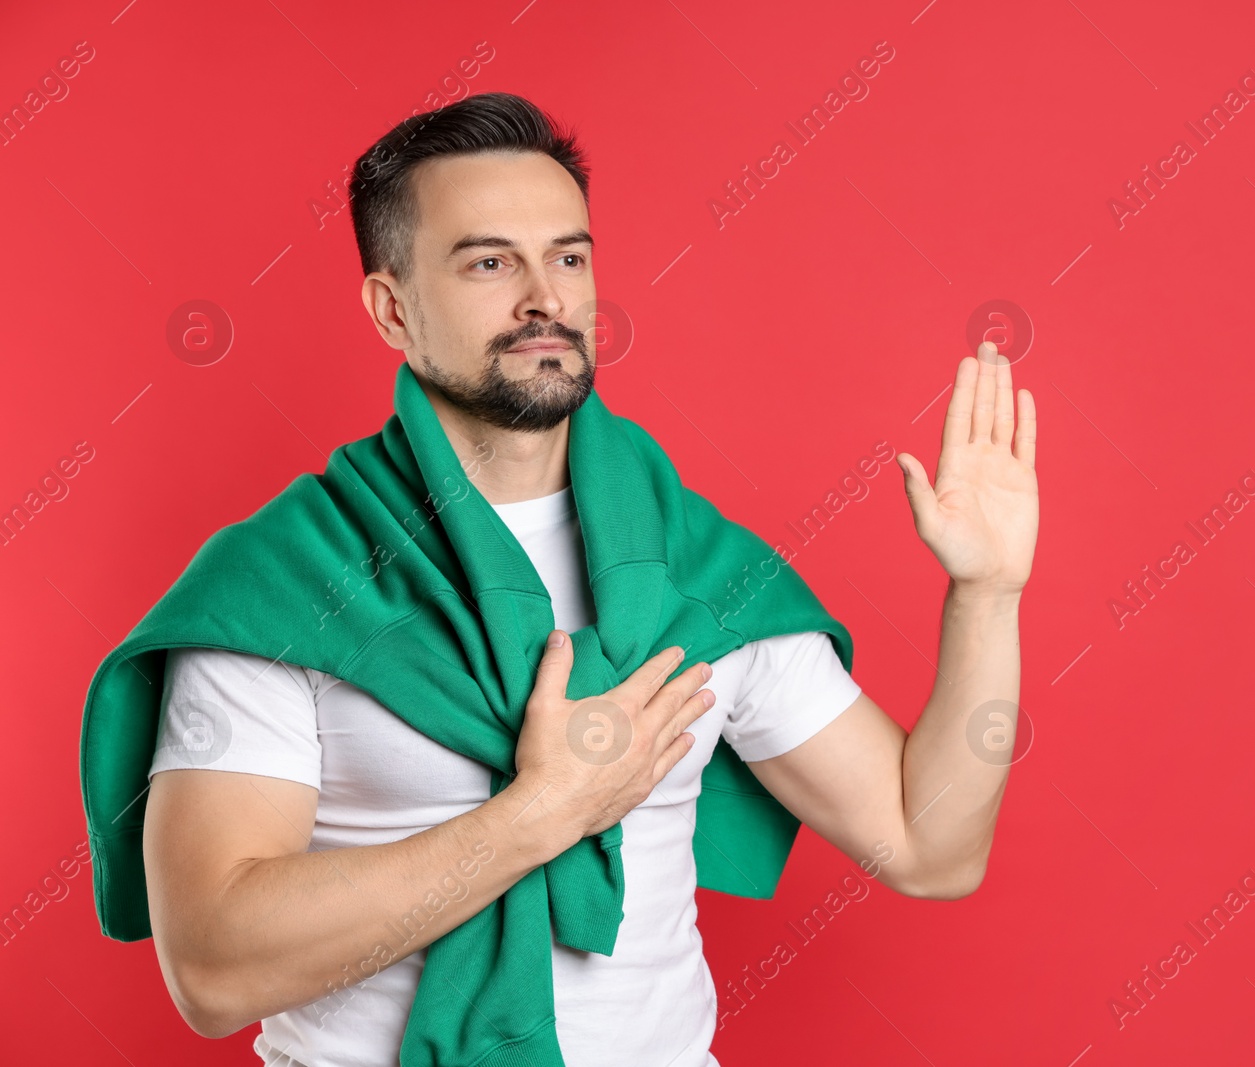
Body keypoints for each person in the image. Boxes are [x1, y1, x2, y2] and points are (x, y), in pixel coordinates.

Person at [138, 92, 1039, 1066]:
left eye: (568, 256)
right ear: (392, 309)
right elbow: (213, 969)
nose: (545, 298)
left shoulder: (698, 572)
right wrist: (538, 815)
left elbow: (927, 844)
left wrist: (985, 597)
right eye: (490, 262)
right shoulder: (283, 583)